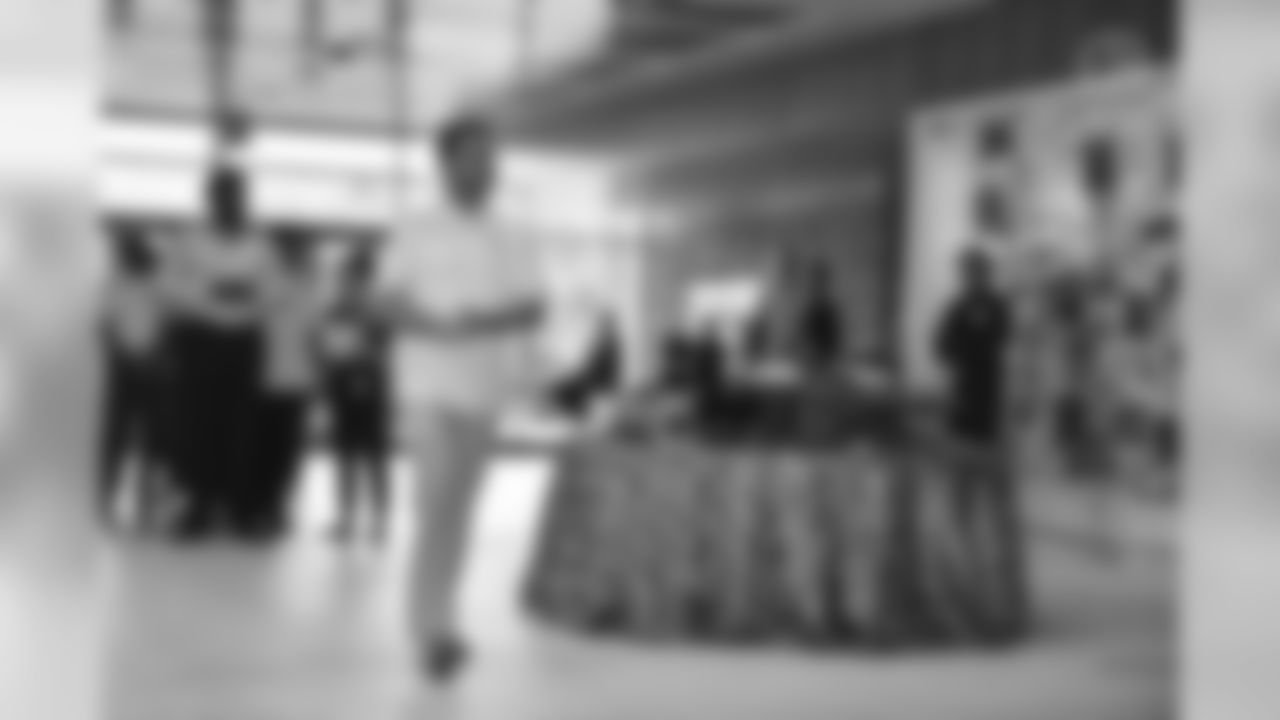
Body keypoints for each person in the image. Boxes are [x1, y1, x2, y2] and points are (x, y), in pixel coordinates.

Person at [376, 115, 548, 682]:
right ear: (446, 163)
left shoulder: (514, 233)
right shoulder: (414, 226)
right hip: (424, 385)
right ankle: (429, 632)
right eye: (473, 156)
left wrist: (478, 323)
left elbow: (533, 306)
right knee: (434, 501)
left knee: (459, 510)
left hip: (483, 388)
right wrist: (432, 325)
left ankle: (445, 620)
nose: (486, 167)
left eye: (490, 157)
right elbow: (386, 301)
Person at [165, 165, 268, 540]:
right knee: (197, 428)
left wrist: (250, 294)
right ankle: (198, 507)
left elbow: (273, 290)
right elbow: (169, 288)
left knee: (244, 428)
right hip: (200, 341)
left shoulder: (259, 241)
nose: (231, 201)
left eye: (237, 193)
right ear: (210, 199)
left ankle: (241, 510)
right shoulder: (189, 239)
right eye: (223, 194)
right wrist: (211, 290)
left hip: (245, 342)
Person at [934, 247, 1024, 638]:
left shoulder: (995, 311)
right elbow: (942, 352)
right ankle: (976, 608)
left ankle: (1002, 611)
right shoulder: (959, 311)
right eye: (968, 272)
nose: (971, 278)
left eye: (975, 271)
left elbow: (1001, 356)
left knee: (995, 526)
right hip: (965, 426)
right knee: (966, 524)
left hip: (990, 429)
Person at [251, 228, 323, 539]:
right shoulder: (265, 278)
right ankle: (258, 506)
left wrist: (320, 377)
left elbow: (317, 334)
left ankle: (277, 509)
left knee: (288, 452)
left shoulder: (314, 284)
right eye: (291, 247)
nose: (297, 253)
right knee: (260, 449)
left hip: (298, 381)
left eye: (301, 248)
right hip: (262, 379)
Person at [98, 225, 167, 530]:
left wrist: (156, 354)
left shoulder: (161, 281)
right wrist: (123, 357)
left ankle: (148, 505)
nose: (127, 255)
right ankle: (105, 502)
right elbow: (105, 327)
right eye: (124, 250)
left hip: (155, 371)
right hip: (122, 372)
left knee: (155, 440)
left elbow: (170, 324)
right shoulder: (113, 283)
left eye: (133, 249)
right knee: (115, 439)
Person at [322, 246, 394, 541]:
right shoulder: (337, 306)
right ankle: (345, 517)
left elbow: (382, 348)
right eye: (347, 277)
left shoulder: (380, 308)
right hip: (343, 384)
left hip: (371, 385)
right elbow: (329, 346)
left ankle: (379, 520)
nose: (349, 282)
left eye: (356, 277)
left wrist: (363, 361)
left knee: (374, 454)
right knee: (344, 453)